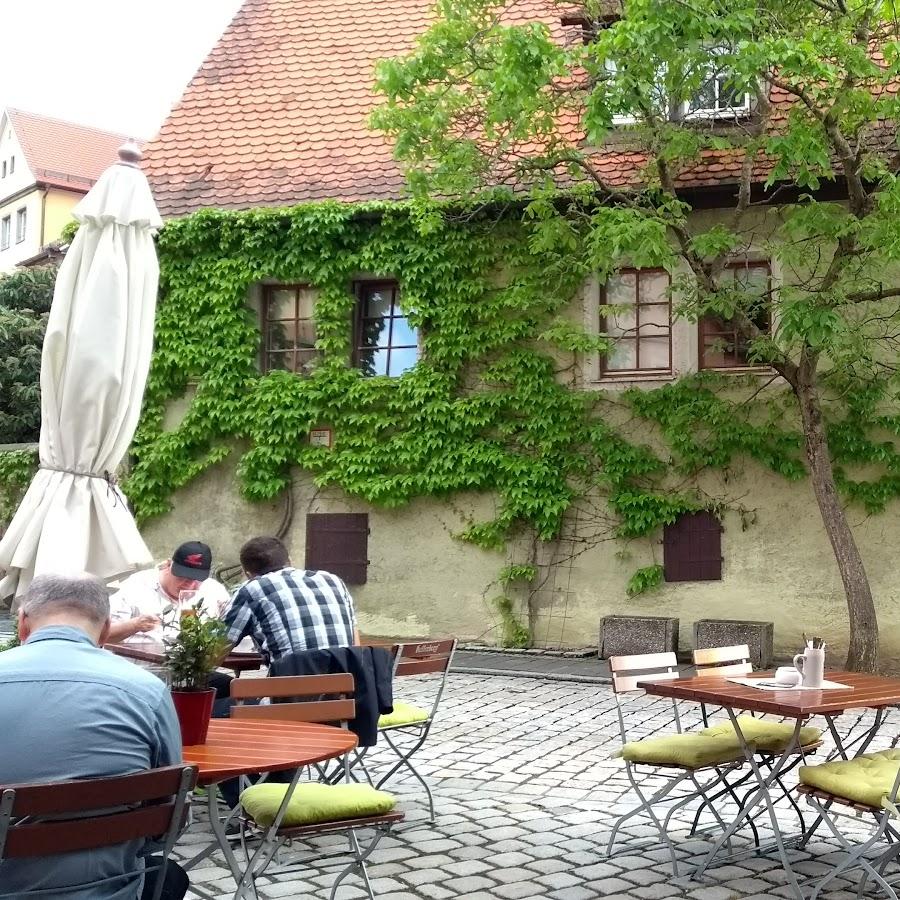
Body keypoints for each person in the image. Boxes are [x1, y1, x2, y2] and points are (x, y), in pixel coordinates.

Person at [0, 573, 187, 899]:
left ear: (22, 623)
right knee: (169, 876)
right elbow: (164, 821)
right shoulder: (148, 692)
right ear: (105, 630)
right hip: (111, 890)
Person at [221, 535, 359, 663]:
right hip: (347, 677)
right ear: (290, 561)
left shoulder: (252, 589)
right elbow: (355, 645)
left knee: (219, 679)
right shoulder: (333, 581)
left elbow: (215, 652)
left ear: (248, 575)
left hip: (292, 679)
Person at [107, 541, 229, 645]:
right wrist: (135, 625)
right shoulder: (136, 585)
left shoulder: (214, 591)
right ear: (168, 565)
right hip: (138, 664)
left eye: (197, 579)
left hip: (194, 665)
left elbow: (232, 631)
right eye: (182, 576)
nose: (189, 585)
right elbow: (102, 634)